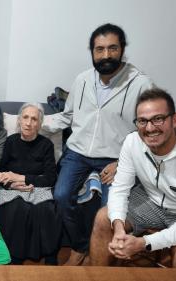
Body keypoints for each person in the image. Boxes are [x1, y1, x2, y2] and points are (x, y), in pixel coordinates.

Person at [43, 23, 154, 263]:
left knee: (108, 212)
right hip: (78, 152)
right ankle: (80, 247)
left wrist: (122, 163)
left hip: (116, 157)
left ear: (122, 49)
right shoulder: (82, 79)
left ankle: (100, 262)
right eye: (99, 49)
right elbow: (68, 116)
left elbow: (148, 132)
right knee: (61, 196)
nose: (106, 55)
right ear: (92, 51)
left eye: (112, 48)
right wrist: (35, 122)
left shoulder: (141, 84)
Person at [89, 89, 176, 268]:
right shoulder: (132, 142)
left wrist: (144, 243)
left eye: (158, 119)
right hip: (154, 197)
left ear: (175, 120)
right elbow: (120, 188)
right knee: (104, 218)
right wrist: (118, 227)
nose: (149, 128)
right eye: (142, 121)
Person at [0, 103, 62, 265]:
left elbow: (50, 178)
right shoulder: (10, 142)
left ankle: (50, 254)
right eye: (25, 117)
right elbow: (1, 172)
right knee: (17, 208)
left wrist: (21, 178)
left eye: (34, 119)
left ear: (39, 124)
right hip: (11, 188)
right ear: (19, 120)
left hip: (38, 187)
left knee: (46, 209)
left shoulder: (46, 145)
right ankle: (15, 257)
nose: (28, 123)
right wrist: (12, 184)